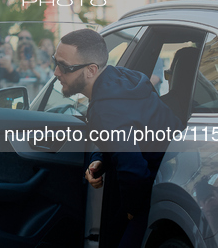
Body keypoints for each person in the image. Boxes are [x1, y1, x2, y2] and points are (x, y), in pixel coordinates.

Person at [53, 28, 181, 247]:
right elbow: (130, 137)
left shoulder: (106, 109)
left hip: (158, 186)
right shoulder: (124, 78)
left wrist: (131, 211)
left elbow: (133, 170)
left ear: (91, 70)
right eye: (54, 62)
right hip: (175, 173)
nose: (56, 72)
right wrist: (99, 159)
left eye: (65, 67)